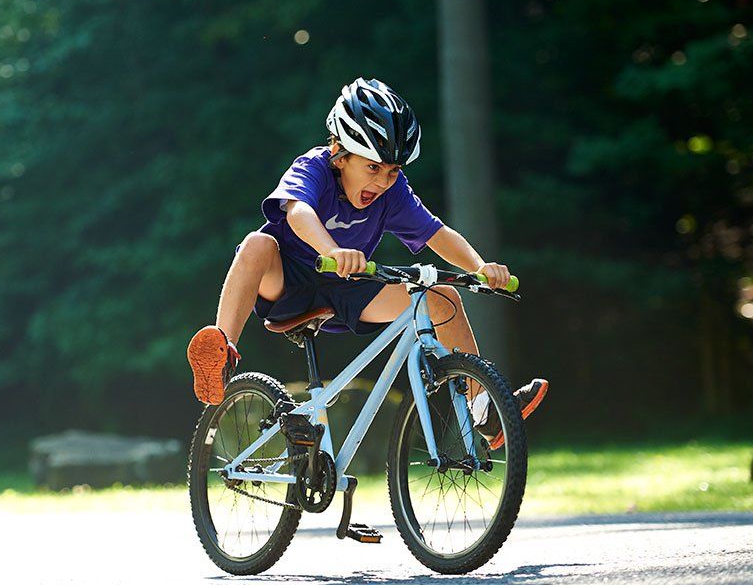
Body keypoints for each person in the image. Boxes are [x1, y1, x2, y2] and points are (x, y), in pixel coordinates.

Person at [186, 78, 546, 448]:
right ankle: (221, 352)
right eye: (373, 168)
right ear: (340, 155)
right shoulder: (315, 168)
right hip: (286, 281)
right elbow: (298, 212)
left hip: (348, 287)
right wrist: (331, 251)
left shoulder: (392, 192)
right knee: (257, 244)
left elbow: (435, 233)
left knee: (441, 297)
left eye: (392, 171)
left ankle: (483, 410)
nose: (384, 181)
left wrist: (480, 266)